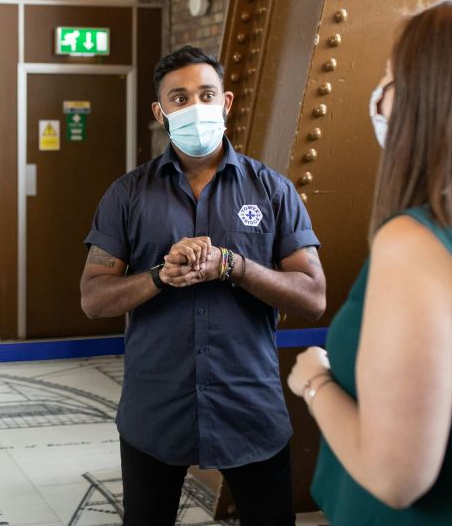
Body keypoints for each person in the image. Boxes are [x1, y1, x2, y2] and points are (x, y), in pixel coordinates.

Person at [79, 45, 327, 526]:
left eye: (206, 94)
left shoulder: (272, 191)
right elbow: (93, 297)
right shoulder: (128, 195)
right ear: (160, 112)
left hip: (249, 406)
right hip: (155, 410)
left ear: (226, 103)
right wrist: (159, 277)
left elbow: (313, 297)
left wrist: (234, 266)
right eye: (179, 98)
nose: (195, 108)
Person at [288, 0, 452, 524]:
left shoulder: (420, 245)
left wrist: (315, 382)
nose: (379, 97)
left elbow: (395, 476)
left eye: (389, 78)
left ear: (423, 99)